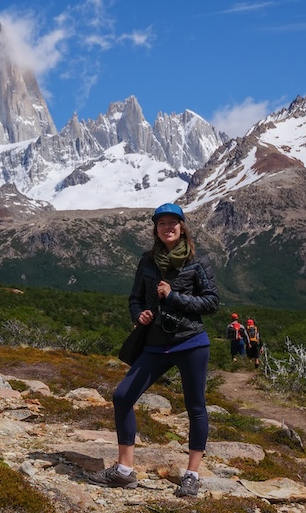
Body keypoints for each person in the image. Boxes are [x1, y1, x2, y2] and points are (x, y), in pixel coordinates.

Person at [87, 203, 219, 498]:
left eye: (173, 222)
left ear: (182, 227)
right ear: (155, 229)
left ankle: (192, 475)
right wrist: (139, 315)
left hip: (191, 342)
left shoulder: (198, 262)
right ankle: (124, 471)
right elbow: (135, 298)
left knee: (195, 407)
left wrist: (174, 296)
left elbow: (211, 302)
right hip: (155, 345)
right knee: (122, 397)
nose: (168, 227)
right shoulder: (147, 261)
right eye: (162, 223)